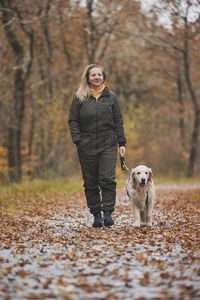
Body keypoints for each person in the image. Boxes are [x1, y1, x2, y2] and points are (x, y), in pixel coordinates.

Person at [68, 64, 126, 227]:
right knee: (90, 181)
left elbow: (118, 121)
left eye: (99, 75)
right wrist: (77, 140)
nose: (96, 77)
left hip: (108, 143)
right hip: (86, 145)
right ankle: (96, 215)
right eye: (93, 75)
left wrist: (121, 142)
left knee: (107, 178)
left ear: (103, 77)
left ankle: (108, 213)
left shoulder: (112, 97)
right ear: (87, 78)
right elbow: (73, 120)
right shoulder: (79, 97)